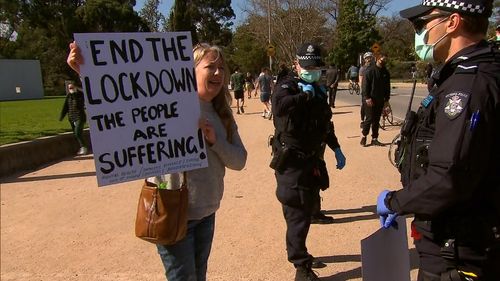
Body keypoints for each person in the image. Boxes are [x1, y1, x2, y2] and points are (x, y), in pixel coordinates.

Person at [66, 42, 248, 281]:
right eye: (210, 66)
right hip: (170, 210)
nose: (218, 73)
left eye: (221, 68)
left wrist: (215, 141)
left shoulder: (222, 113)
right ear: (189, 71)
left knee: (198, 276)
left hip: (207, 212)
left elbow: (239, 160)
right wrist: (86, 72)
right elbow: (117, 108)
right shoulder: (161, 104)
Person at [376, 1, 500, 280]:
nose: (422, 33)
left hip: (459, 249)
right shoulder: (471, 72)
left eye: (423, 24)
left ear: (452, 23)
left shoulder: (468, 84)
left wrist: (395, 202)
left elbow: (449, 175)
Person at [270, 43, 346, 281]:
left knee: (307, 209)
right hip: (291, 161)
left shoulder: (319, 90)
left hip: (312, 159)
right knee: (296, 212)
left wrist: (336, 148)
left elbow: (325, 124)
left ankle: (300, 252)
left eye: (315, 67)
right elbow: (280, 106)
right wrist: (302, 96)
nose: (311, 70)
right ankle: (301, 267)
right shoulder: (287, 85)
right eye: (306, 66)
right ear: (297, 64)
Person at [360, 54, 390, 147]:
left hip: (380, 99)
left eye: (384, 61)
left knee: (376, 120)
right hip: (370, 99)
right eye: (381, 61)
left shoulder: (385, 72)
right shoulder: (369, 71)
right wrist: (367, 97)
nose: (383, 63)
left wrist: (386, 100)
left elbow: (387, 87)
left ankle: (375, 138)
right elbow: (365, 85)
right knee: (369, 119)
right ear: (377, 59)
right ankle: (364, 136)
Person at [59, 81, 88, 155]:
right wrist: (61, 116)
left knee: (78, 132)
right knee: (76, 133)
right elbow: (65, 107)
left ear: (76, 87)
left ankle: (84, 148)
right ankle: (81, 147)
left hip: (80, 117)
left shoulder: (80, 95)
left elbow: (79, 105)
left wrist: (74, 95)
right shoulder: (69, 96)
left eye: (72, 87)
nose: (70, 89)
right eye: (69, 88)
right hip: (71, 117)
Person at [359, 52, 374, 127]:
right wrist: (364, 91)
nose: (369, 59)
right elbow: (361, 81)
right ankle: (362, 120)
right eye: (367, 58)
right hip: (365, 91)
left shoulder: (375, 67)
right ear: (364, 60)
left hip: (373, 90)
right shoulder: (362, 69)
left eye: (370, 58)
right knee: (364, 106)